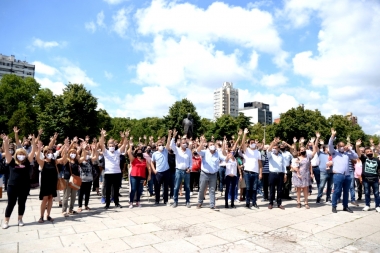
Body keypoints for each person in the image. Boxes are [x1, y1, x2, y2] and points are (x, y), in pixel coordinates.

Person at [1, 134, 35, 229]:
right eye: (19, 154)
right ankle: (6, 221)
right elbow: (7, 151)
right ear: (16, 155)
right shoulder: (11, 161)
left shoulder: (27, 162)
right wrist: (5, 142)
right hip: (12, 186)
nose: (21, 156)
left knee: (22, 203)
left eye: (23, 154)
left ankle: (20, 219)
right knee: (11, 203)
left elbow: (33, 151)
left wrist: (33, 141)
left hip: (24, 186)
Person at [329, 129, 359, 213]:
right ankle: (334, 206)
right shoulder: (334, 152)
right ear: (338, 147)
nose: (342, 147)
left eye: (343, 146)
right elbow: (330, 145)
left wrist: (349, 149)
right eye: (340, 146)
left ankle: (345, 206)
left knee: (346, 192)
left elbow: (356, 156)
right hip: (338, 175)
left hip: (347, 175)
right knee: (337, 191)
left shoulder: (347, 154)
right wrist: (332, 136)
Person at [35, 142, 67, 223]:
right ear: (45, 154)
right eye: (48, 153)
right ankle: (41, 216)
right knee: (45, 199)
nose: (50, 154)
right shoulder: (43, 162)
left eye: (51, 152)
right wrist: (39, 149)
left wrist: (66, 150)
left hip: (53, 182)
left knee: (50, 198)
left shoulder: (54, 161)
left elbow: (63, 159)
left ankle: (48, 215)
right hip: (45, 183)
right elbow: (37, 158)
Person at [99, 129, 128, 209]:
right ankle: (107, 204)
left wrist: (125, 137)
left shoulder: (117, 152)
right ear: (108, 146)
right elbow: (101, 143)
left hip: (117, 173)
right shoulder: (105, 152)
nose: (111, 147)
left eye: (113, 146)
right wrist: (102, 135)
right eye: (110, 146)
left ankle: (116, 203)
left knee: (116, 189)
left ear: (115, 146)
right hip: (108, 173)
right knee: (107, 189)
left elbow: (125, 144)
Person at [196, 135, 226, 210]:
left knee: (212, 190)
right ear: (208, 146)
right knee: (202, 189)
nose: (212, 146)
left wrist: (228, 156)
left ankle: (212, 204)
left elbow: (225, 158)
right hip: (204, 173)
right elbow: (198, 151)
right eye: (211, 145)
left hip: (213, 174)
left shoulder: (218, 153)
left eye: (213, 145)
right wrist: (202, 142)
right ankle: (200, 202)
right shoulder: (205, 152)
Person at [292, 133, 319, 209]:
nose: (303, 151)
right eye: (301, 150)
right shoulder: (297, 158)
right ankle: (298, 202)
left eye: (304, 150)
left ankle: (306, 202)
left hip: (306, 175)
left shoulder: (308, 157)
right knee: (298, 190)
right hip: (298, 175)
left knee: (305, 189)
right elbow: (294, 150)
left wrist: (313, 143)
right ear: (299, 151)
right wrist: (295, 142)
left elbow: (314, 151)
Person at [240, 129, 262, 209]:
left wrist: (260, 173)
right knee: (248, 188)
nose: (253, 144)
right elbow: (242, 144)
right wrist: (244, 134)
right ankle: (247, 203)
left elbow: (260, 164)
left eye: (254, 143)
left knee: (254, 188)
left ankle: (254, 202)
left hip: (255, 173)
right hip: (247, 172)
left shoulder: (258, 152)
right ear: (249, 144)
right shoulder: (247, 150)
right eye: (251, 143)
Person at [170, 129, 193, 208]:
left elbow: (191, 162)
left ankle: (187, 201)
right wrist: (173, 137)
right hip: (178, 171)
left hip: (186, 171)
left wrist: (190, 168)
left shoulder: (189, 151)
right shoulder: (177, 150)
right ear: (180, 144)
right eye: (183, 143)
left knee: (187, 187)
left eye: (185, 143)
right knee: (176, 187)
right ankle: (175, 201)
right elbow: (171, 146)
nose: (184, 144)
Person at [61, 145, 85, 217]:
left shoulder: (77, 161)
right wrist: (65, 150)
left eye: (74, 153)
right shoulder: (67, 161)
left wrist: (83, 149)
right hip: (68, 179)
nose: (73, 154)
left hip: (75, 180)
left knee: (74, 196)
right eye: (71, 153)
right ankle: (64, 210)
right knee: (66, 195)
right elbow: (63, 157)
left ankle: (71, 209)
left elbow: (83, 157)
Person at [356, 141, 380, 212]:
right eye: (368, 151)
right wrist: (357, 146)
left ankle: (377, 206)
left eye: (370, 151)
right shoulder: (364, 159)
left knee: (376, 193)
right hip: (366, 179)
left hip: (375, 179)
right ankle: (367, 205)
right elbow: (359, 153)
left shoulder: (377, 160)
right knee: (367, 193)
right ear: (365, 153)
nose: (369, 152)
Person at [127, 138, 150, 208]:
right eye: (138, 151)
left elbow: (148, 167)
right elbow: (128, 153)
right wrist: (130, 146)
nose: (139, 152)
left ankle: (138, 201)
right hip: (134, 176)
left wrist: (149, 175)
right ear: (136, 153)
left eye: (140, 151)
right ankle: (131, 202)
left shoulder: (144, 160)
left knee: (139, 190)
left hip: (142, 176)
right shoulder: (134, 159)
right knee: (133, 189)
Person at [151, 130, 172, 206]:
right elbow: (152, 162)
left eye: (161, 144)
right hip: (158, 172)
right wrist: (154, 170)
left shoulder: (165, 151)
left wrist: (169, 135)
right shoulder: (154, 154)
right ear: (157, 146)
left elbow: (168, 142)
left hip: (166, 171)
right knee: (157, 187)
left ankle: (166, 201)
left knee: (166, 187)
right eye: (159, 145)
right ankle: (157, 200)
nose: (161, 146)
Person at [77, 142, 99, 212]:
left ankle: (86, 205)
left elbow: (96, 157)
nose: (87, 154)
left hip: (89, 179)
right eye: (85, 153)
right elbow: (80, 156)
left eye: (87, 153)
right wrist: (83, 149)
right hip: (81, 180)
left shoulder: (89, 160)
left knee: (87, 193)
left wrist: (95, 150)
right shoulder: (80, 160)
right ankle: (80, 206)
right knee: (80, 193)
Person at [267, 137, 287, 210]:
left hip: (280, 174)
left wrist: (285, 174)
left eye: (276, 148)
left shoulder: (281, 155)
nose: (274, 149)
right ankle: (271, 203)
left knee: (279, 190)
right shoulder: (270, 155)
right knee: (272, 189)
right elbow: (268, 150)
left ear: (279, 149)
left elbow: (283, 165)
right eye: (274, 148)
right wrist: (273, 143)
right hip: (272, 174)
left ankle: (279, 203)